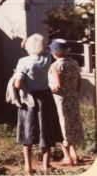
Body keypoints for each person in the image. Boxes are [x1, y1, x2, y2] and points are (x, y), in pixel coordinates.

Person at [14, 33, 62, 174]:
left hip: (30, 99)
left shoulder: (23, 61)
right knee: (46, 130)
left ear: (28, 47)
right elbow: (46, 49)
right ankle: (46, 165)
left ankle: (28, 166)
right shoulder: (47, 57)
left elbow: (17, 84)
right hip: (46, 98)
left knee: (27, 131)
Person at [48, 38, 84, 166]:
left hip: (60, 100)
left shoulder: (56, 65)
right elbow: (79, 82)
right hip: (72, 98)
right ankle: (75, 154)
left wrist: (46, 91)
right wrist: (73, 93)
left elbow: (57, 86)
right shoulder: (74, 63)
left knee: (62, 126)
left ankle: (67, 157)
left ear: (56, 52)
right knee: (72, 125)